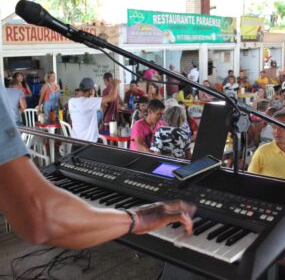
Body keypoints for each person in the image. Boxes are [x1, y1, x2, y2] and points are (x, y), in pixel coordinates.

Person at [0, 81, 195, 250]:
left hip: (82, 148)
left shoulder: (74, 101)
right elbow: (40, 217)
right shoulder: (92, 103)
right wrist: (138, 218)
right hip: (87, 147)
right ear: (90, 92)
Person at [248, 111, 285, 182]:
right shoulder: (262, 152)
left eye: (282, 128)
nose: (277, 132)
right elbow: (250, 179)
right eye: (274, 127)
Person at [69, 78, 120, 143]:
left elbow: (82, 100)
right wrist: (115, 85)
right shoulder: (89, 102)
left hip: (75, 143)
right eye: (94, 90)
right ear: (90, 91)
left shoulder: (71, 101)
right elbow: (112, 97)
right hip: (89, 145)